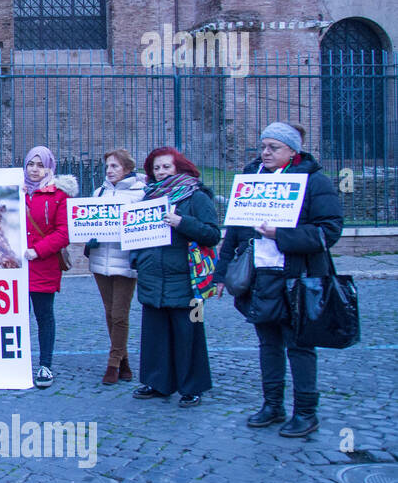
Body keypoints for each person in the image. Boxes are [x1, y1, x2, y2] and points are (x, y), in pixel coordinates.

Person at [215, 122, 342, 437]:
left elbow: (329, 230)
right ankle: (272, 404)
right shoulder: (251, 181)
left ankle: (306, 412)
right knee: (267, 343)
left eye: (274, 147)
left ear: (292, 152)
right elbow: (233, 231)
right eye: (263, 146)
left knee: (298, 345)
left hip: (296, 276)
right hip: (259, 276)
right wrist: (221, 274)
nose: (266, 152)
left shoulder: (314, 182)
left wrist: (280, 234)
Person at [129, 147, 221, 408]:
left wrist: (181, 223)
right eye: (156, 168)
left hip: (188, 280)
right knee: (155, 334)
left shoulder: (196, 196)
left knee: (190, 333)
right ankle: (158, 382)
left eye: (166, 167)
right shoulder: (148, 198)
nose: (160, 172)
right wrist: (137, 258)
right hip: (153, 276)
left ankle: (192, 386)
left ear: (179, 167)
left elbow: (212, 234)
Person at [87, 149, 148, 384]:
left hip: (125, 260)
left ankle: (112, 364)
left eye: (114, 166)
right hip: (101, 258)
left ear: (127, 169)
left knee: (121, 314)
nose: (110, 171)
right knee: (110, 312)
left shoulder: (140, 194)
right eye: (108, 167)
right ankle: (124, 362)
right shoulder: (99, 192)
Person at [22, 146, 74, 389]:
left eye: (39, 165)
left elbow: (63, 232)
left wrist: (38, 250)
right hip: (16, 267)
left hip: (42, 265)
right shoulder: (15, 191)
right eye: (30, 164)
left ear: (49, 167)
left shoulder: (59, 196)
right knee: (16, 317)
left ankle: (45, 364)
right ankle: (15, 363)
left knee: (44, 316)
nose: (34, 169)